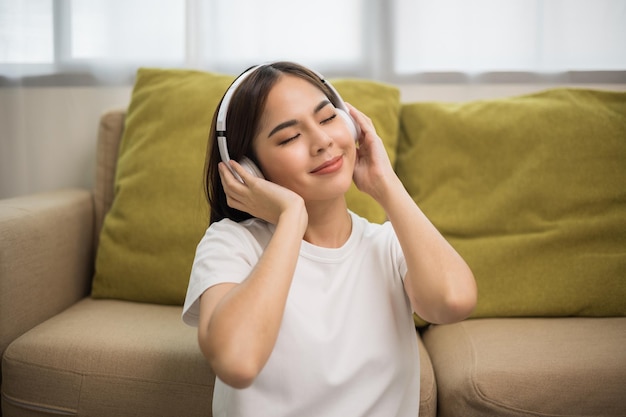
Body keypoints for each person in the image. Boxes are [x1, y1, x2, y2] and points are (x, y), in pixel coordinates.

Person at [182, 61, 477, 417]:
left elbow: (454, 302)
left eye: (326, 118)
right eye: (290, 137)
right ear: (249, 169)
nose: (322, 141)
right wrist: (292, 218)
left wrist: (387, 185)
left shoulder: (385, 245)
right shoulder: (231, 244)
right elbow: (236, 361)